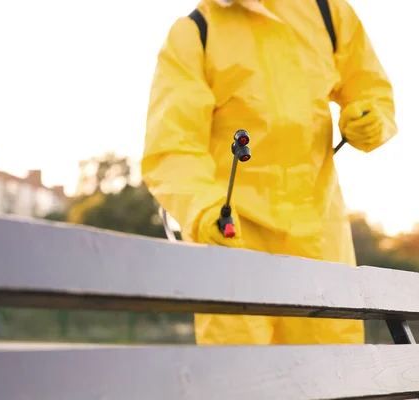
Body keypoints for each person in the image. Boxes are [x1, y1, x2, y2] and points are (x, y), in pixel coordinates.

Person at [141, 0, 397, 345]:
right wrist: (204, 210)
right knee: (239, 381)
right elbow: (172, 147)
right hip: (233, 240)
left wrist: (371, 119)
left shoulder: (329, 11)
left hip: (320, 238)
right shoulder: (194, 33)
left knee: (332, 376)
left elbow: (370, 89)